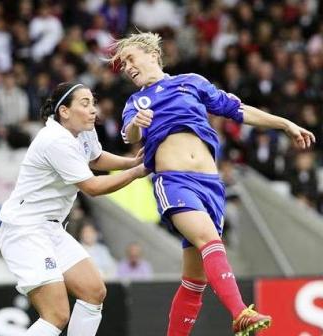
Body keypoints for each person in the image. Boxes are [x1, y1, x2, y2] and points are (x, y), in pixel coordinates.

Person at [111, 32, 315, 336]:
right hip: (174, 181)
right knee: (210, 240)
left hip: (210, 185)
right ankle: (240, 313)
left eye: (130, 58)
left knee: (195, 279)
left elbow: (239, 110)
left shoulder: (191, 82)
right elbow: (130, 135)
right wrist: (136, 125)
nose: (127, 67)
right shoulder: (136, 102)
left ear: (152, 54)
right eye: (122, 65)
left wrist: (284, 123)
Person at [0, 82, 148, 336]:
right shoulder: (54, 140)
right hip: (25, 230)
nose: (93, 110)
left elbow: (96, 158)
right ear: (64, 111)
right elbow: (92, 186)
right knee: (56, 315)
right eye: (85, 104)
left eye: (93, 102)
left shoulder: (83, 131)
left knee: (93, 291)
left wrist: (131, 162)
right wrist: (136, 172)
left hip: (50, 228)